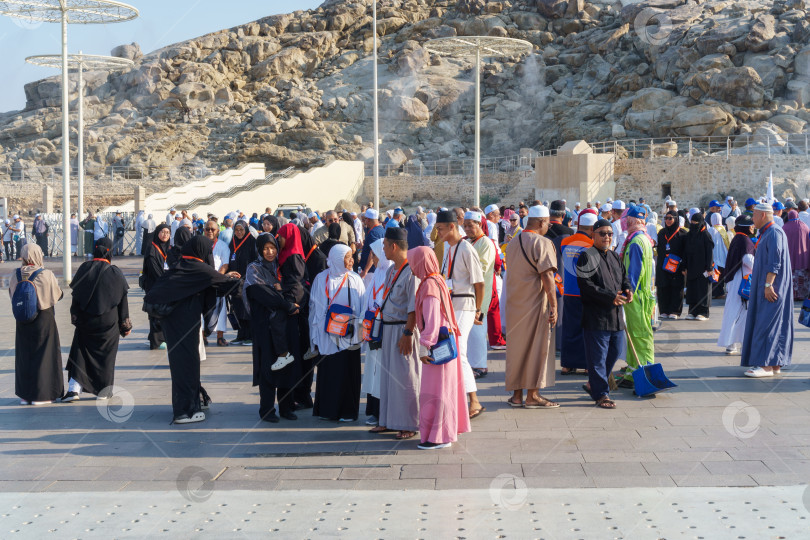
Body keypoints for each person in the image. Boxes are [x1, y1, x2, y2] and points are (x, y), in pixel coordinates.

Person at [144, 236, 241, 423]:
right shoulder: (199, 268)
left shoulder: (182, 265)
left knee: (180, 365)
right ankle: (184, 412)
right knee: (189, 365)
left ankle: (189, 404)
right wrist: (236, 279)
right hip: (186, 325)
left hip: (173, 325)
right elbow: (228, 286)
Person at [408, 246, 471, 449]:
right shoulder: (437, 280)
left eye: (413, 261)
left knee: (437, 391)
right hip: (446, 341)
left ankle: (439, 436)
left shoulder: (429, 285)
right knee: (445, 389)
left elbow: (433, 318)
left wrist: (425, 345)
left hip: (437, 344)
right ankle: (444, 432)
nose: (410, 266)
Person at [504, 205, 560, 409]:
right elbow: (547, 276)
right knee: (537, 348)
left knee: (517, 349)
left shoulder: (512, 242)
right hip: (535, 304)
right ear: (542, 222)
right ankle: (533, 395)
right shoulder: (542, 242)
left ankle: (517, 395)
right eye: (547, 223)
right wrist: (554, 306)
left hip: (514, 304)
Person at [63, 238, 131, 402]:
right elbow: (122, 301)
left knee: (80, 353)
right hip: (109, 323)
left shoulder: (84, 269)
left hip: (86, 321)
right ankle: (103, 391)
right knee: (106, 357)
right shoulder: (115, 272)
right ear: (109, 251)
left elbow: (76, 298)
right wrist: (125, 325)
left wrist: (76, 318)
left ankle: (74, 389)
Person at [244, 233, 302, 422]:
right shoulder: (254, 269)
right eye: (266, 248)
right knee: (268, 365)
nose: (270, 252)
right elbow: (262, 293)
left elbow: (293, 287)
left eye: (273, 248)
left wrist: (286, 297)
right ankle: (267, 409)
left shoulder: (282, 267)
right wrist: (285, 303)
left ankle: (286, 406)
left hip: (285, 324)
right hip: (264, 326)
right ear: (260, 250)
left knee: (287, 365)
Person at [370, 228, 421, 440]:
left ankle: (409, 423)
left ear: (393, 246)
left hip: (404, 329)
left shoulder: (413, 272)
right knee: (389, 377)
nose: (382, 250)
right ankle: (388, 420)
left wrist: (408, 333)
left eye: (384, 246)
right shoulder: (391, 271)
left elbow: (414, 308)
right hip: (389, 329)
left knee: (406, 376)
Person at [433, 210, 485, 418]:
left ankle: (474, 401)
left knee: (459, 350)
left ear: (453, 226)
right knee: (453, 349)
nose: (438, 233)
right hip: (452, 304)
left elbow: (479, 283)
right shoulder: (450, 248)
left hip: (465, 304)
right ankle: (460, 397)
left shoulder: (465, 248)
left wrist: (477, 310)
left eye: (441, 229)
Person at [576, 219, 631, 409]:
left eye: (609, 233)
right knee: (597, 357)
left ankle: (595, 383)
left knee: (614, 352)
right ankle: (601, 394)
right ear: (593, 234)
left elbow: (624, 278)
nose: (607, 237)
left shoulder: (615, 256)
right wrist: (610, 297)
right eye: (602, 233)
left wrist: (628, 290)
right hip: (596, 316)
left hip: (615, 316)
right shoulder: (587, 256)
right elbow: (586, 285)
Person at [308, 245, 366, 421]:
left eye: (351, 257)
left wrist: (358, 329)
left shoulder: (355, 279)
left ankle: (347, 411)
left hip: (348, 334)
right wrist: (315, 332)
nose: (351, 261)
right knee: (329, 372)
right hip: (326, 334)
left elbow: (363, 306)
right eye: (347, 257)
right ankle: (327, 410)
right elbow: (314, 306)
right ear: (336, 259)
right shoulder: (321, 278)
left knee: (347, 372)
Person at [741, 204, 794, 377]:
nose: (752, 220)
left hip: (772, 287)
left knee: (767, 323)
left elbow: (775, 261)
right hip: (768, 285)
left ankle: (765, 366)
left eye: (754, 216)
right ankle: (775, 363)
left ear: (763, 215)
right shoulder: (769, 232)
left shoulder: (774, 233)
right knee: (773, 322)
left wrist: (768, 285)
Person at [9, 244, 64, 405]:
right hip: (43, 319)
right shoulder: (46, 274)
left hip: (23, 320)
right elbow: (57, 295)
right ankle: (42, 395)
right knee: (45, 355)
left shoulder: (15, 274)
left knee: (25, 356)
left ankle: (25, 395)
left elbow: (12, 294)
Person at [618, 205, 655, 386]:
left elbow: (634, 272)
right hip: (643, 295)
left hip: (636, 296)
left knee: (640, 336)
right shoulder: (644, 239)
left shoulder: (635, 243)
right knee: (635, 334)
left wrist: (628, 291)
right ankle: (633, 372)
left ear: (631, 221)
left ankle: (645, 374)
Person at [559, 212, 596, 374]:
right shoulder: (592, 245)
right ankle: (587, 364)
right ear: (593, 229)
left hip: (569, 291)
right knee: (587, 329)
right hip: (586, 292)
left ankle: (567, 364)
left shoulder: (565, 242)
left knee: (569, 328)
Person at [360, 238, 391, 425]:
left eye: (374, 253)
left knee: (381, 371)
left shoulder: (390, 272)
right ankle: (373, 409)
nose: (372, 257)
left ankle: (381, 411)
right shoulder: (378, 273)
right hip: (372, 327)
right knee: (372, 370)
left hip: (383, 328)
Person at [463, 211, 495, 380]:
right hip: (466, 292)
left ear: (479, 224)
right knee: (468, 331)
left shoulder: (486, 243)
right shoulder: (468, 242)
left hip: (480, 293)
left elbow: (480, 270)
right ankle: (470, 364)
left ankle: (480, 365)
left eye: (470, 225)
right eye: (465, 225)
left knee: (478, 331)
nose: (467, 228)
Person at [717, 215, 755, 355]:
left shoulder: (738, 238)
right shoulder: (744, 240)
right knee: (741, 312)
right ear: (745, 227)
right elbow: (748, 260)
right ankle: (740, 343)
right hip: (741, 280)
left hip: (735, 280)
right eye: (750, 225)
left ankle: (731, 343)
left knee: (734, 311)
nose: (753, 227)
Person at [228, 220, 257, 345]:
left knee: (247, 308)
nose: (239, 232)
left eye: (241, 230)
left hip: (247, 280)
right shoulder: (232, 243)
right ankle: (240, 335)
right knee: (237, 308)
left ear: (246, 230)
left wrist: (247, 277)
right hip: (235, 281)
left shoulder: (252, 242)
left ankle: (250, 336)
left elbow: (255, 262)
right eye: (237, 230)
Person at [142, 223, 171, 350]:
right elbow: (154, 271)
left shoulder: (168, 248)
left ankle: (160, 337)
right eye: (163, 232)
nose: (165, 235)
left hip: (164, 286)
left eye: (167, 232)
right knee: (155, 312)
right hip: (154, 286)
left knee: (162, 312)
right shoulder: (151, 249)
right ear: (157, 233)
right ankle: (156, 341)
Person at [204, 220, 231, 346]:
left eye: (212, 229)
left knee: (221, 310)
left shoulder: (222, 246)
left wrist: (217, 277)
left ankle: (220, 337)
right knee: (203, 310)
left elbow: (225, 264)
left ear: (218, 231)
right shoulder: (200, 244)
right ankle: (203, 335)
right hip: (203, 282)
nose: (210, 231)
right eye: (207, 229)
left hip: (218, 282)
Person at [682, 212, 714, 320]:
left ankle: (703, 312)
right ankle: (692, 311)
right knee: (692, 290)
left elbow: (709, 253)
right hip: (691, 267)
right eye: (692, 222)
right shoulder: (689, 235)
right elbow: (685, 252)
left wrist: (709, 268)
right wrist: (684, 266)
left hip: (703, 268)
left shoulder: (705, 235)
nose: (693, 224)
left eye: (696, 222)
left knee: (702, 289)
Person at [656, 210, 687, 319]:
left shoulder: (682, 234)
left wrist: (684, 266)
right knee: (663, 287)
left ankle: (675, 311)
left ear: (676, 219)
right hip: (663, 264)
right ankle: (664, 310)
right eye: (666, 218)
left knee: (676, 288)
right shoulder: (662, 233)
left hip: (677, 266)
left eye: (670, 218)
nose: (668, 220)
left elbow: (685, 251)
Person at [783, 209, 810, 299]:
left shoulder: (785, 227)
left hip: (789, 258)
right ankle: (802, 295)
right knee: (802, 278)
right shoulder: (805, 226)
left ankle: (792, 295)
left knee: (791, 277)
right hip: (802, 258)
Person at [707, 213, 729, 298]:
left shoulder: (711, 229)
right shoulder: (723, 229)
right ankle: (719, 292)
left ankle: (716, 293)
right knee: (720, 275)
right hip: (723, 254)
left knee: (715, 274)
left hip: (714, 254)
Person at [359, 209, 385, 280]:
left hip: (371, 271)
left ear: (368, 220)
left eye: (364, 220)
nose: (364, 222)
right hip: (376, 268)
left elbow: (373, 251)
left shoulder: (373, 232)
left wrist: (365, 271)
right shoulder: (382, 229)